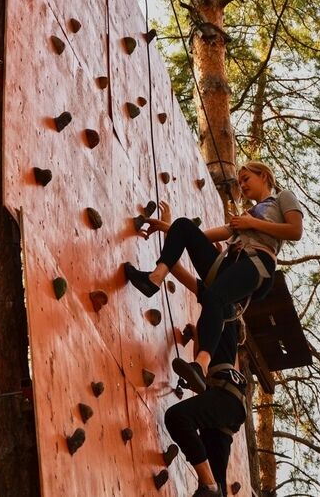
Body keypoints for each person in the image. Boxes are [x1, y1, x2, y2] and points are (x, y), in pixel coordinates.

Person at [124, 161, 303, 497]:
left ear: (264, 176)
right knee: (185, 233)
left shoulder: (281, 199)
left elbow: (295, 232)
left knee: (216, 298)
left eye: (246, 178)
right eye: (239, 181)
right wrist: (172, 231)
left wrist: (250, 222)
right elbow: (214, 236)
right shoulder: (244, 224)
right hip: (230, 265)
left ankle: (201, 365)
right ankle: (153, 278)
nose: (242, 184)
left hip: (256, 264)